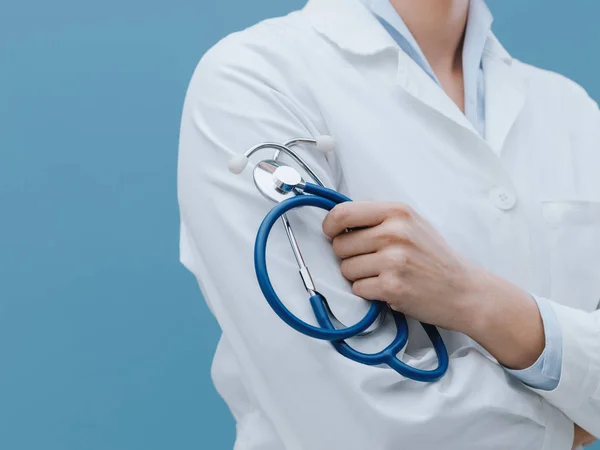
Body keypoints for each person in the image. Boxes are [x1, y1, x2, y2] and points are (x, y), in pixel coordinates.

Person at [177, 0, 600, 448]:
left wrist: (476, 299)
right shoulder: (254, 79)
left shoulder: (571, 110)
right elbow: (355, 422)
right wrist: (571, 422)